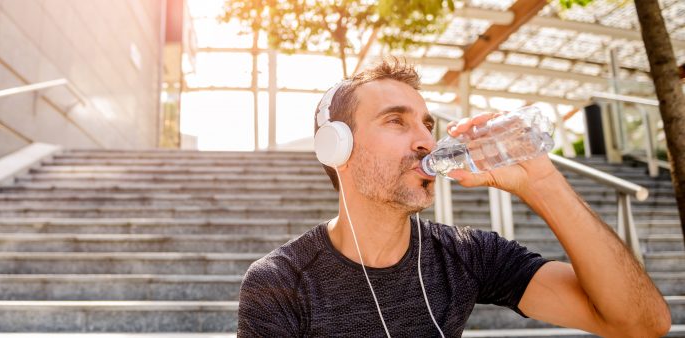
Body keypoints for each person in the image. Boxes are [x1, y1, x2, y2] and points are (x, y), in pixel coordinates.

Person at [236, 58, 671, 337]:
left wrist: (540, 181)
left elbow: (641, 323)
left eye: (427, 124)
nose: (427, 140)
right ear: (337, 148)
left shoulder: (468, 255)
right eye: (396, 121)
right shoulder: (281, 282)